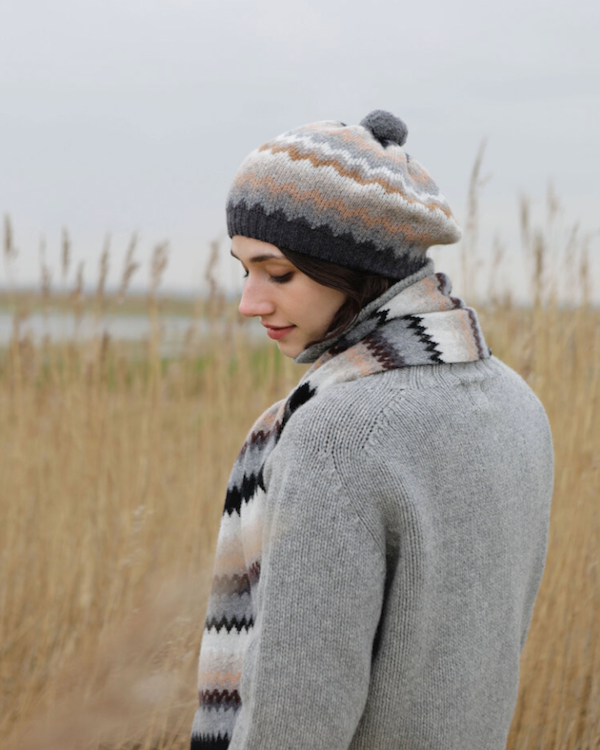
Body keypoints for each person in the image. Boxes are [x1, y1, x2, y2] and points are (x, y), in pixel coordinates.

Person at [190, 110, 554, 750]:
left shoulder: (336, 435)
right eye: (242, 269)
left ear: (352, 267)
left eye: (278, 273)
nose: (249, 301)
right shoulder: (519, 403)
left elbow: (297, 715)